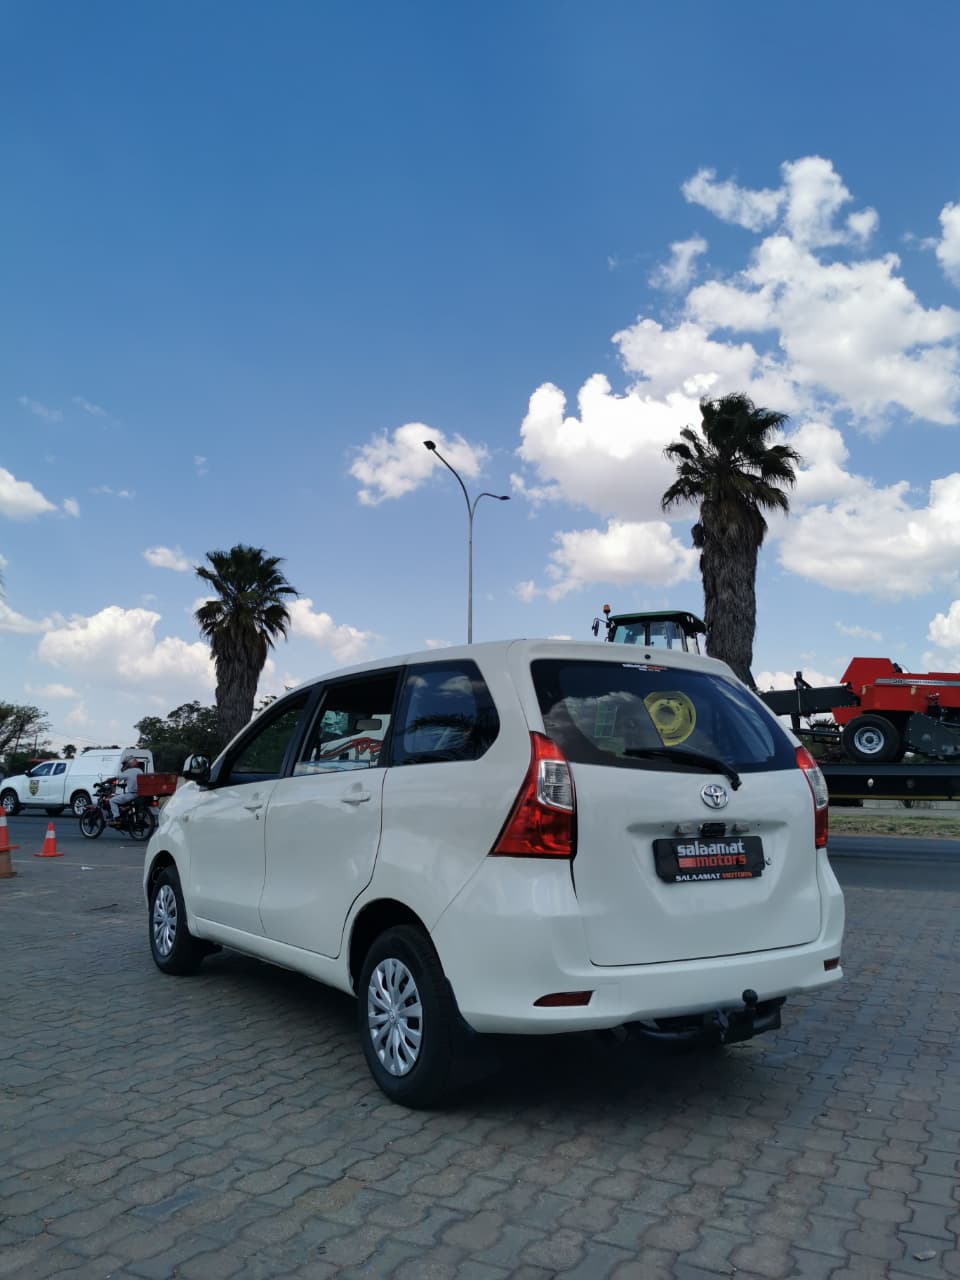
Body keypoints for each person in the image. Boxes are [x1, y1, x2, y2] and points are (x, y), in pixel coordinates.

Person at [108, 756, 143, 823]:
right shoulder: (139, 770)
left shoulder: (128, 771)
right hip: (140, 793)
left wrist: (107, 780)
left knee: (112, 800)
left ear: (129, 763)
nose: (124, 766)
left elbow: (117, 777)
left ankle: (116, 818)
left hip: (132, 794)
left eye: (125, 764)